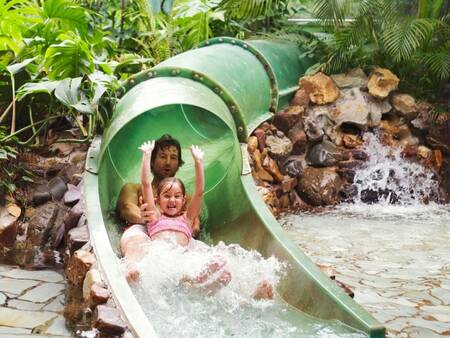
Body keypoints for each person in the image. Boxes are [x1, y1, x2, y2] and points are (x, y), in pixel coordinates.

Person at [117, 134, 199, 280]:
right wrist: (149, 218)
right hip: (143, 229)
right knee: (136, 242)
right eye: (162, 156)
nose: (168, 162)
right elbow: (126, 207)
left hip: (174, 236)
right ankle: (132, 273)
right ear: (152, 162)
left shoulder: (185, 197)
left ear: (179, 163)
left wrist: (173, 225)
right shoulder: (133, 188)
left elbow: (195, 226)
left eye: (173, 157)